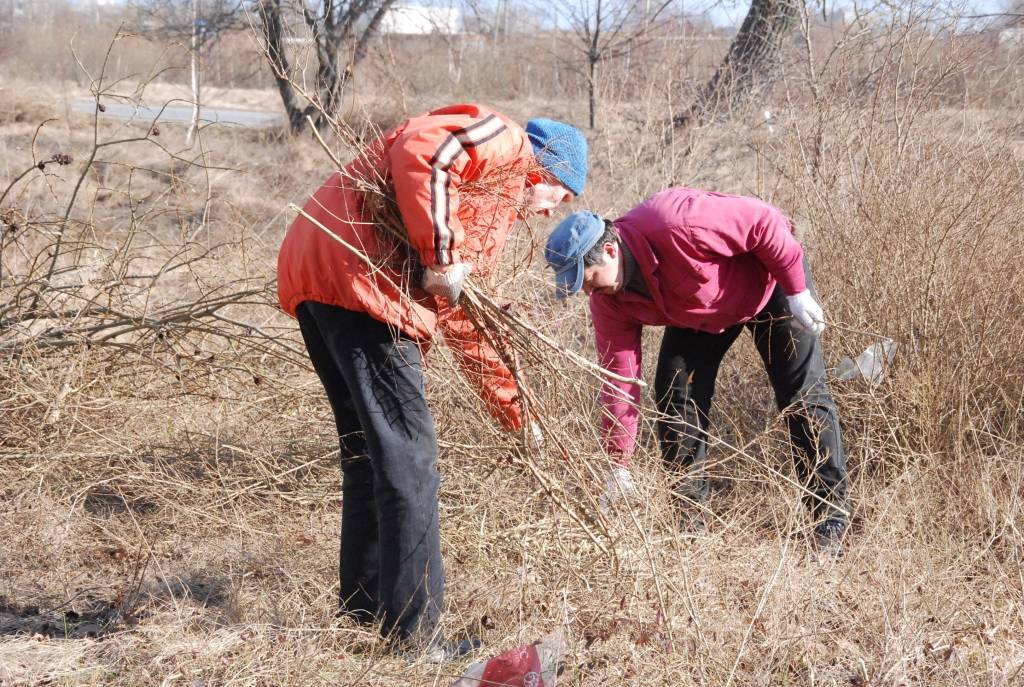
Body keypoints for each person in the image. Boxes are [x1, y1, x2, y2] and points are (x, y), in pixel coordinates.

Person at [277, 104, 588, 657]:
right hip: (360, 279)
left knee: (370, 458)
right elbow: (426, 151)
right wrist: (441, 255)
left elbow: (466, 323)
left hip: (319, 270)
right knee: (411, 464)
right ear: (547, 169)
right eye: (562, 195)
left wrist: (520, 417)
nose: (552, 211)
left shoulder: (484, 211)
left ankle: (363, 613)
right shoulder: (509, 145)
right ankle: (415, 637)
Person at [544, 187, 849, 555]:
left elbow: (764, 222)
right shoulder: (609, 300)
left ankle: (829, 519)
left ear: (610, 251)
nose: (586, 290)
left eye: (587, 278)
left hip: (771, 283)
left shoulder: (676, 222)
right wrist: (618, 464)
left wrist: (797, 289)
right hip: (701, 311)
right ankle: (691, 526)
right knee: (676, 395)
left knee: (802, 396)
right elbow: (619, 381)